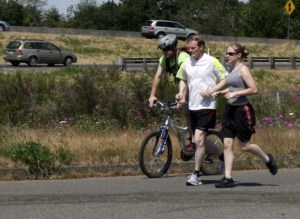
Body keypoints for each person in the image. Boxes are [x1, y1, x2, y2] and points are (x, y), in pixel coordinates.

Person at [203, 43, 278, 188]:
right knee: (227, 143)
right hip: (230, 110)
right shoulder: (231, 69)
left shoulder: (243, 70)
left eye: (230, 54)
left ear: (239, 55)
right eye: (227, 53)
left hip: (242, 111)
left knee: (245, 146)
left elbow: (253, 89)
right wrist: (216, 91)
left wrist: (234, 93)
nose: (227, 56)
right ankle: (228, 177)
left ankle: (268, 159)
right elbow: (228, 83)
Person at [176, 35, 228, 186]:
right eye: (188, 48)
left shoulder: (212, 61)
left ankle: (196, 174)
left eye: (193, 48)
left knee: (198, 139)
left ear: (201, 47)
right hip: (193, 105)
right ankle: (221, 153)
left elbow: (225, 78)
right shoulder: (186, 62)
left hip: (207, 105)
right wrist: (181, 93)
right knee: (198, 140)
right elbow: (183, 79)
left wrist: (212, 90)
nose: (190, 51)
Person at [148, 34, 190, 108]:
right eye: (163, 49)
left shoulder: (182, 57)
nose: (165, 52)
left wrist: (182, 94)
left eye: (167, 49)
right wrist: (152, 95)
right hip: (183, 89)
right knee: (186, 114)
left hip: (193, 87)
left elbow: (186, 78)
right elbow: (158, 76)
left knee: (193, 113)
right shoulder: (164, 59)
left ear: (173, 47)